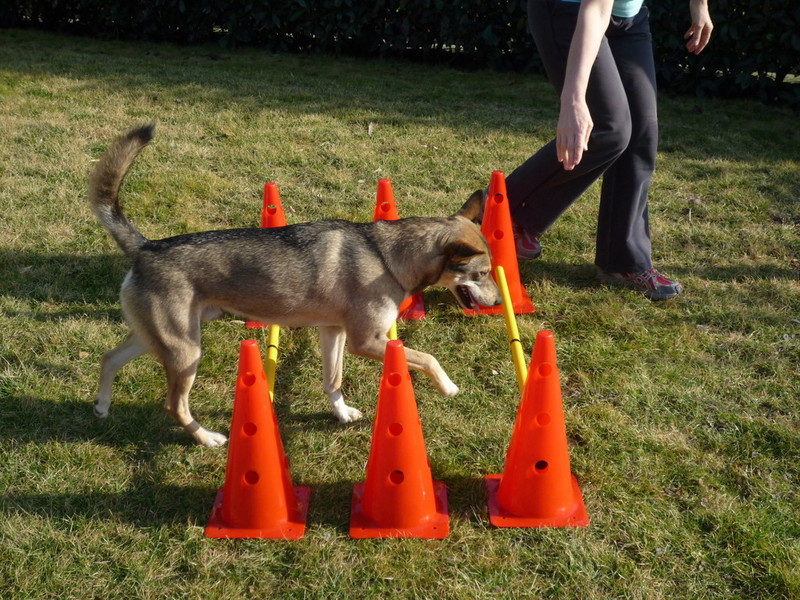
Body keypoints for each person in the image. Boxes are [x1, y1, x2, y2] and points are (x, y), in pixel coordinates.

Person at [488, 0, 712, 300]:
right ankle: (500, 215)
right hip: (570, 10)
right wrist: (573, 101)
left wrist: (700, 6)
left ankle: (623, 263)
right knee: (608, 129)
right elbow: (595, 10)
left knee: (641, 135)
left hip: (629, 18)